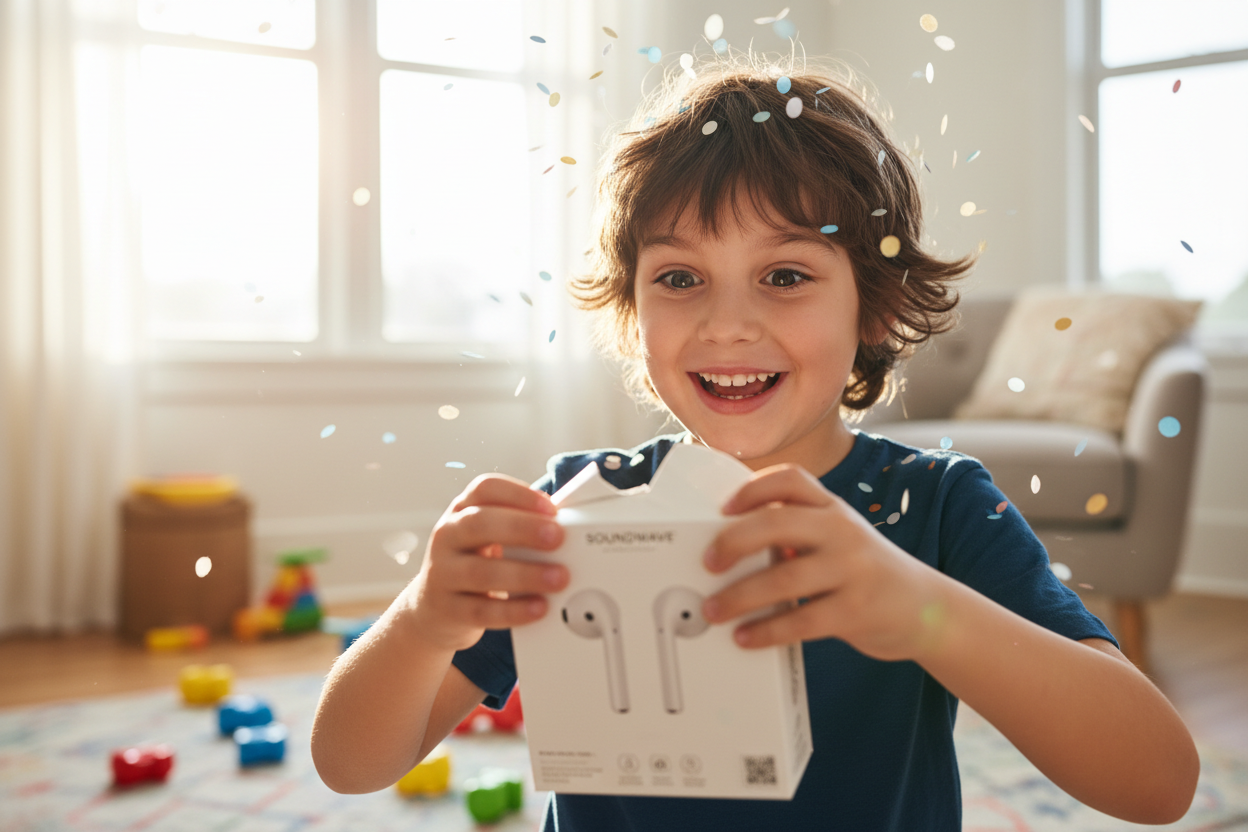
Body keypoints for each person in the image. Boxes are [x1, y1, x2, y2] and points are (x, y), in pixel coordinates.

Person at [311, 55, 1199, 830]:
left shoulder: (934, 511)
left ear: (876, 304)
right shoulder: (576, 511)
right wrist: (427, 618)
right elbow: (352, 765)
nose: (726, 325)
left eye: (784, 275)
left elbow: (1157, 783)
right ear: (633, 310)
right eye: (680, 278)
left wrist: (914, 606)